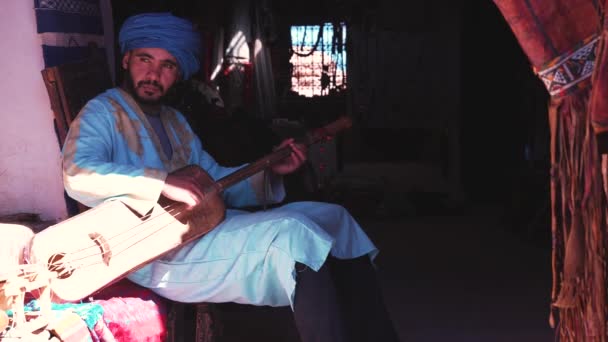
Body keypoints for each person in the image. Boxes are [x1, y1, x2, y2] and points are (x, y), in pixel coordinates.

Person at [61, 12, 399, 342]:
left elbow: (214, 181)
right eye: (144, 60)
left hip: (202, 229)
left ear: (177, 72)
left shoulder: (175, 120)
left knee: (333, 217)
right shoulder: (103, 112)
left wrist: (270, 173)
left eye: (167, 66)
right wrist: (161, 182)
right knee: (296, 236)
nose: (153, 74)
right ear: (126, 61)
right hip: (154, 252)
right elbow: (78, 173)